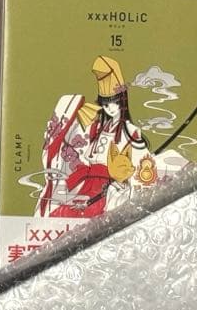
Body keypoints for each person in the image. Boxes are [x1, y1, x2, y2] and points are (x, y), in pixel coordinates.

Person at [39, 56, 152, 219]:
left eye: (115, 103)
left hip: (111, 188)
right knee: (61, 213)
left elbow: (140, 163)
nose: (110, 108)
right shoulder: (96, 127)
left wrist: (123, 179)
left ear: (122, 101)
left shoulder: (130, 131)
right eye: (105, 104)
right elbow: (78, 148)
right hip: (86, 184)